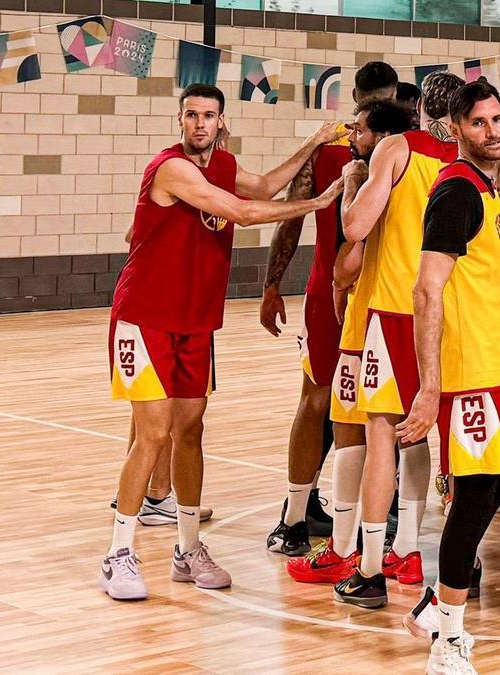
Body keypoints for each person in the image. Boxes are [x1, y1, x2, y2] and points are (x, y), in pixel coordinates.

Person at [101, 84, 344, 600]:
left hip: (196, 322)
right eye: (191, 115)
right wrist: (321, 200)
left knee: (191, 432)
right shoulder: (172, 168)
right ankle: (118, 551)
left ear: (220, 121)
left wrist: (313, 143)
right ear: (180, 119)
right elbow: (244, 212)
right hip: (145, 319)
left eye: (208, 116)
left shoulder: (225, 165)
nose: (199, 124)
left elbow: (265, 186)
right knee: (154, 433)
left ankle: (188, 549)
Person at [311, 72, 464, 608]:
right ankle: (413, 549)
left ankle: (370, 567)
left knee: (380, 436)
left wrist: (353, 185)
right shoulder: (464, 162)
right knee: (425, 438)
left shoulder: (396, 148)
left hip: (391, 308)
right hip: (446, 309)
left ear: (419, 106)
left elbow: (355, 228)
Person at [393, 80, 500, 675]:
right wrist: (429, 386)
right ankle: (447, 639)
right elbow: (426, 289)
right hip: (469, 374)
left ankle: (432, 609)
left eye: (498, 120)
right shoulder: (455, 194)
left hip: (499, 370)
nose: (494, 132)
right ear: (456, 130)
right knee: (475, 494)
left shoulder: (483, 187)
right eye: (480, 123)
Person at [261, 62, 401, 556]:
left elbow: (293, 220)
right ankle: (305, 518)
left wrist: (272, 285)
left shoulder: (404, 149)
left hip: (373, 293)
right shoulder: (386, 149)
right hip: (353, 292)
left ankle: (316, 519)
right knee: (343, 405)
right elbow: (296, 216)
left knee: (352, 408)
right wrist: (273, 284)